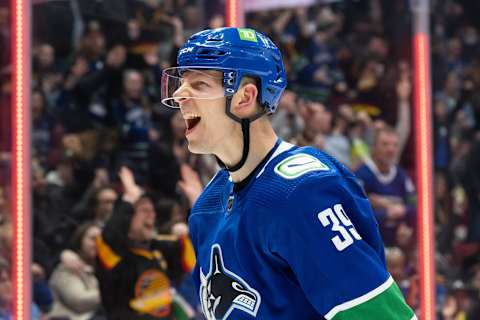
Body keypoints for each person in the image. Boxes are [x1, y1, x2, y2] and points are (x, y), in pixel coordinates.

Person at [160, 27, 416, 320]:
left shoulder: (303, 192)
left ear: (245, 97)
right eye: (182, 83)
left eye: (200, 85)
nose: (180, 94)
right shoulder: (207, 207)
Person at [354, 127, 416, 246]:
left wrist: (402, 212)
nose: (390, 149)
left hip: (398, 245)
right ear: (374, 148)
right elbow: (356, 214)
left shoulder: (401, 175)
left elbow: (415, 205)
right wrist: (386, 214)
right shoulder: (361, 175)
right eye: (385, 144)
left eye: (394, 145)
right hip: (369, 246)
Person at [48, 222, 103, 320]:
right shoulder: (67, 266)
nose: (98, 243)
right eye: (93, 239)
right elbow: (79, 300)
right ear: (80, 241)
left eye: (102, 240)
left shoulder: (102, 269)